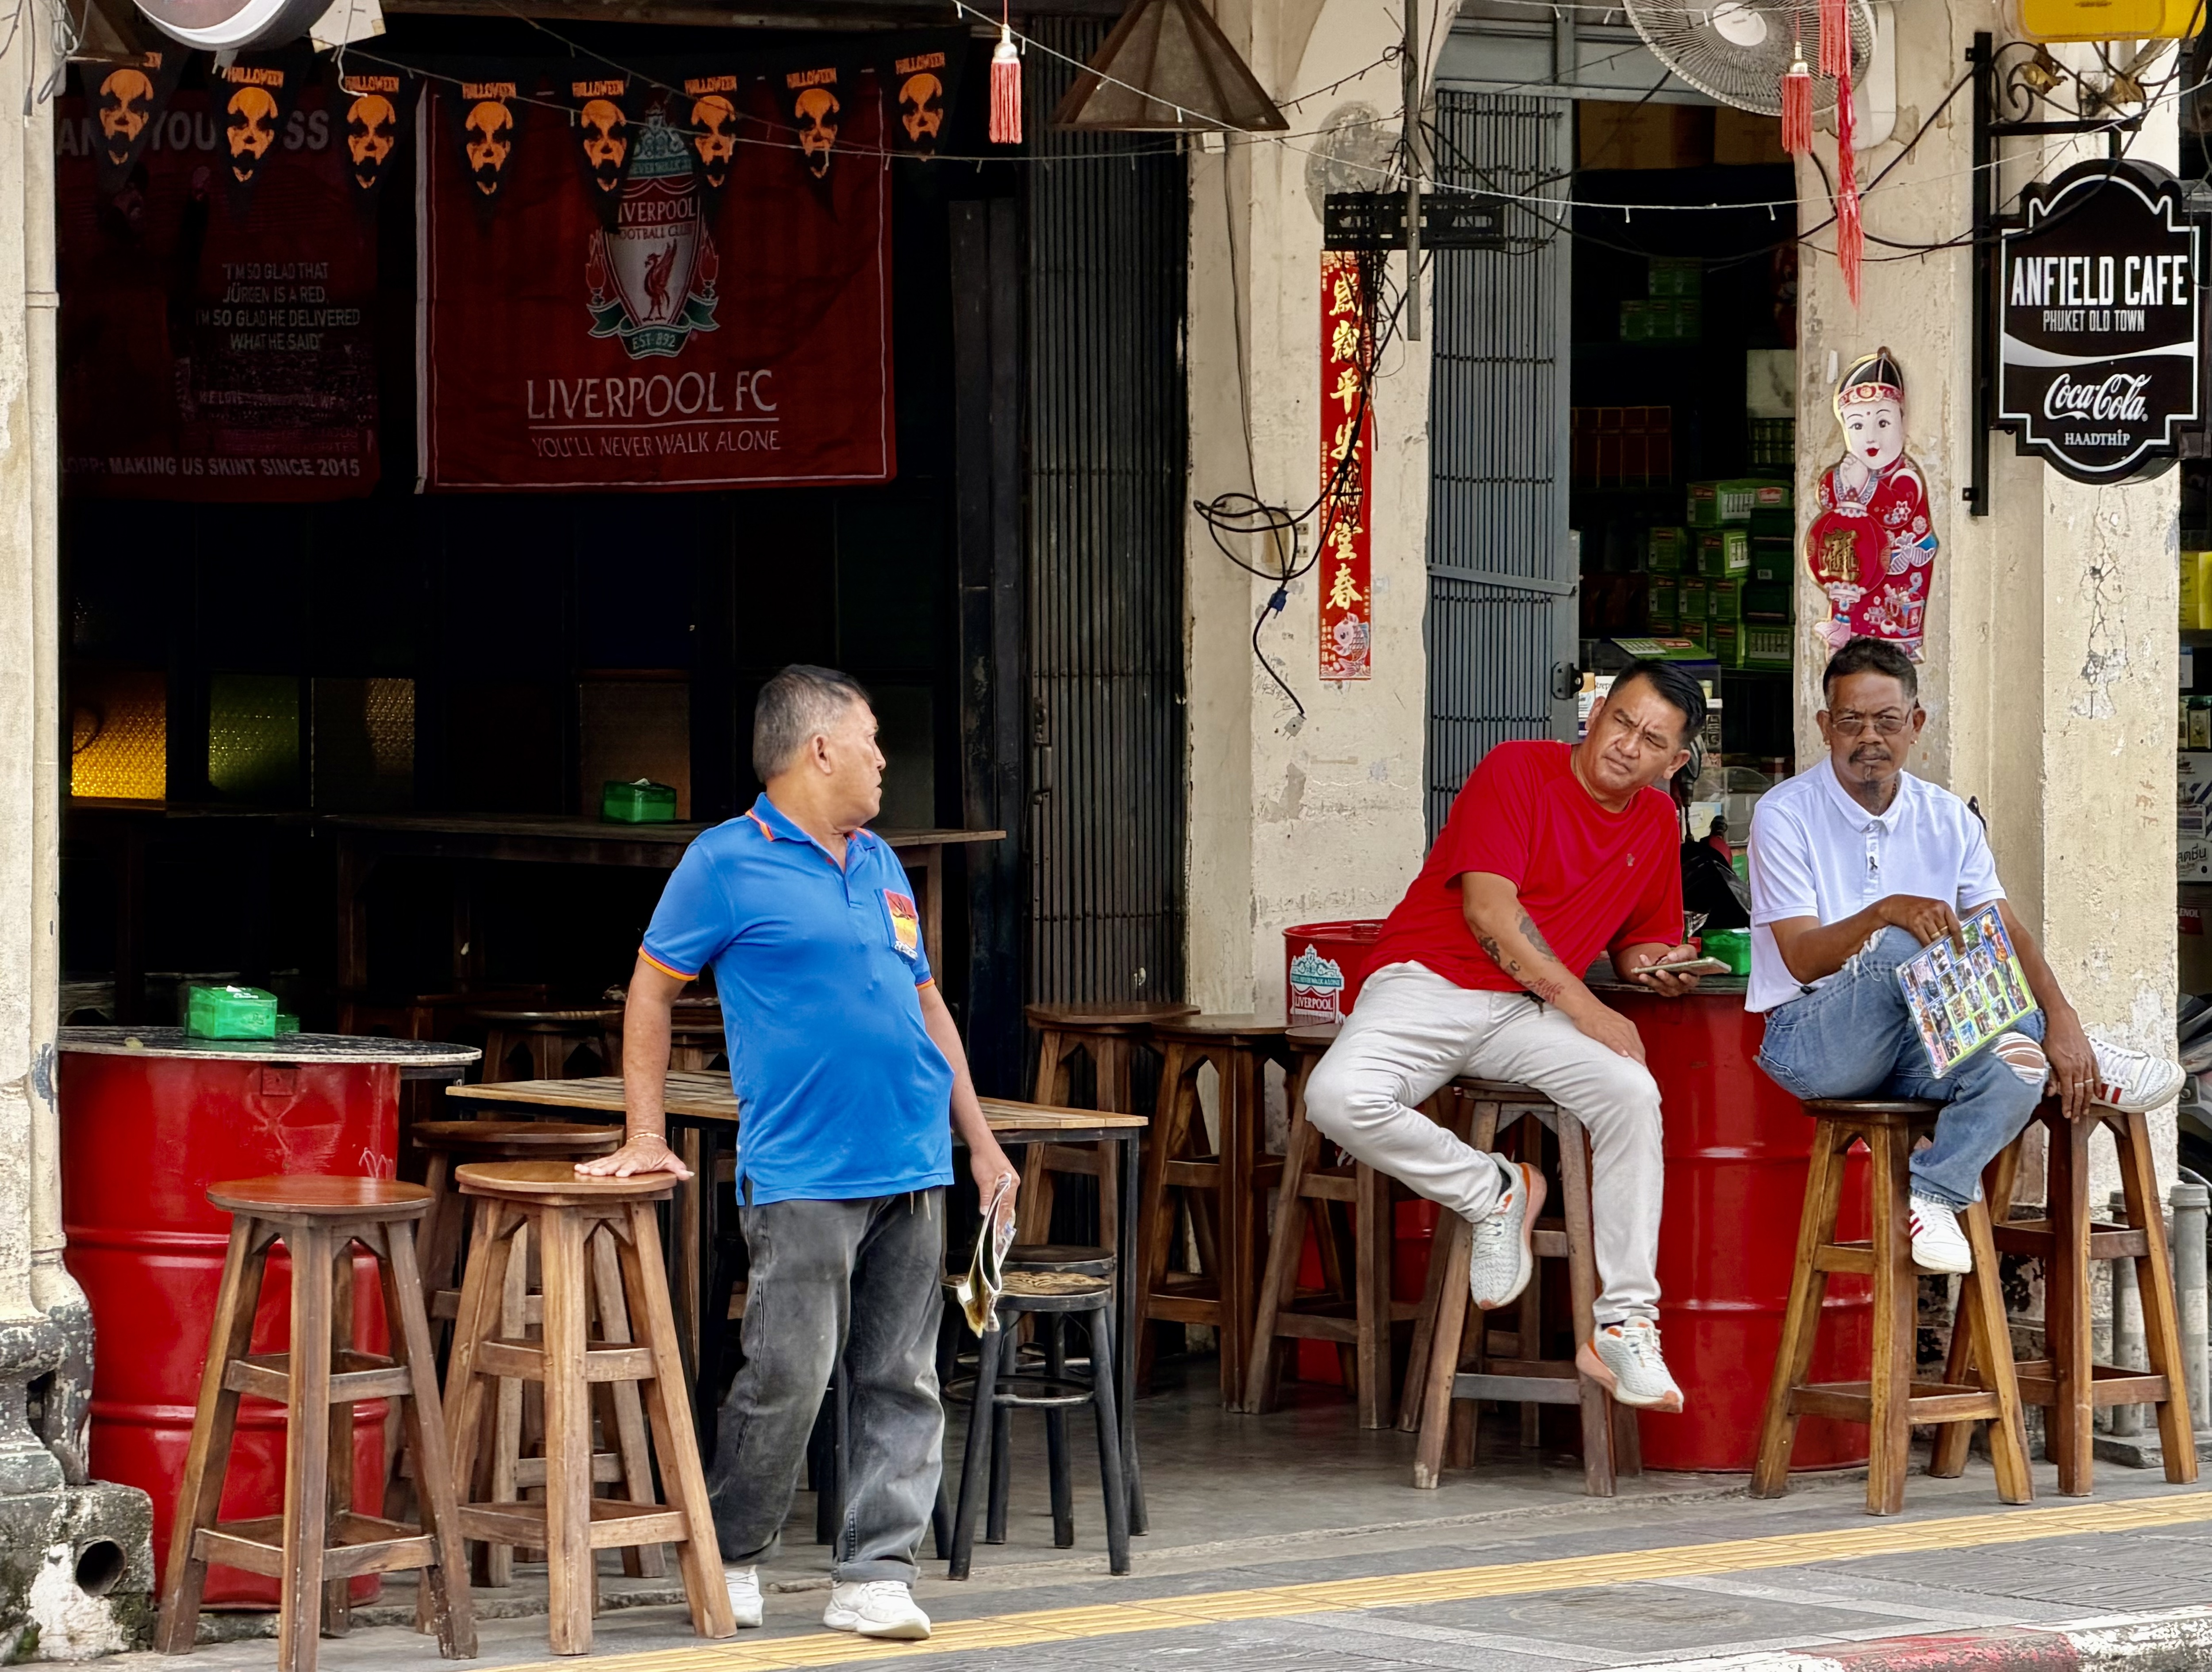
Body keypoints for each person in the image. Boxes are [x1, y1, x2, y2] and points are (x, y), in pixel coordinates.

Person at [577, 664, 1019, 1642]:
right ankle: (732, 1555)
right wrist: (644, 1134)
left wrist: (980, 1145)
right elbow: (649, 993)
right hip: (803, 1169)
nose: (881, 760)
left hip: (914, 1163)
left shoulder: (881, 862)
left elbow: (926, 1004)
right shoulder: (725, 861)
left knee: (902, 1377)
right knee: (788, 1373)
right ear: (819, 747)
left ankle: (875, 1572)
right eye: (870, 740)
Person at [1304, 660, 1713, 1412]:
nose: (1627, 744)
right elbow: (1489, 913)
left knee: (1631, 1092)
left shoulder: (1657, 823)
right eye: (1620, 720)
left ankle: (1624, 1322)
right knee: (1335, 1096)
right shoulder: (1517, 767)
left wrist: (1662, 964)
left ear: (1674, 761)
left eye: (1652, 739)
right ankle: (1492, 1189)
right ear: (1594, 713)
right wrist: (1586, 1009)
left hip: (1528, 1013)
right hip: (1428, 982)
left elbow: (1637, 943)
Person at [1747, 637, 2181, 1273]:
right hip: (1815, 1043)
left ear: (1916, 725)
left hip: (1916, 1045)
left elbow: (2004, 933)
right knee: (1901, 944)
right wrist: (1884, 910)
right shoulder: (1784, 814)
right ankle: (2093, 1061)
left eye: (1888, 721)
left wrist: (2063, 1022)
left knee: (2021, 1060)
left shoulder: (1948, 817)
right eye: (1851, 721)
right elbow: (1803, 960)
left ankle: (1935, 1190)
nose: (1870, 737)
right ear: (1824, 727)